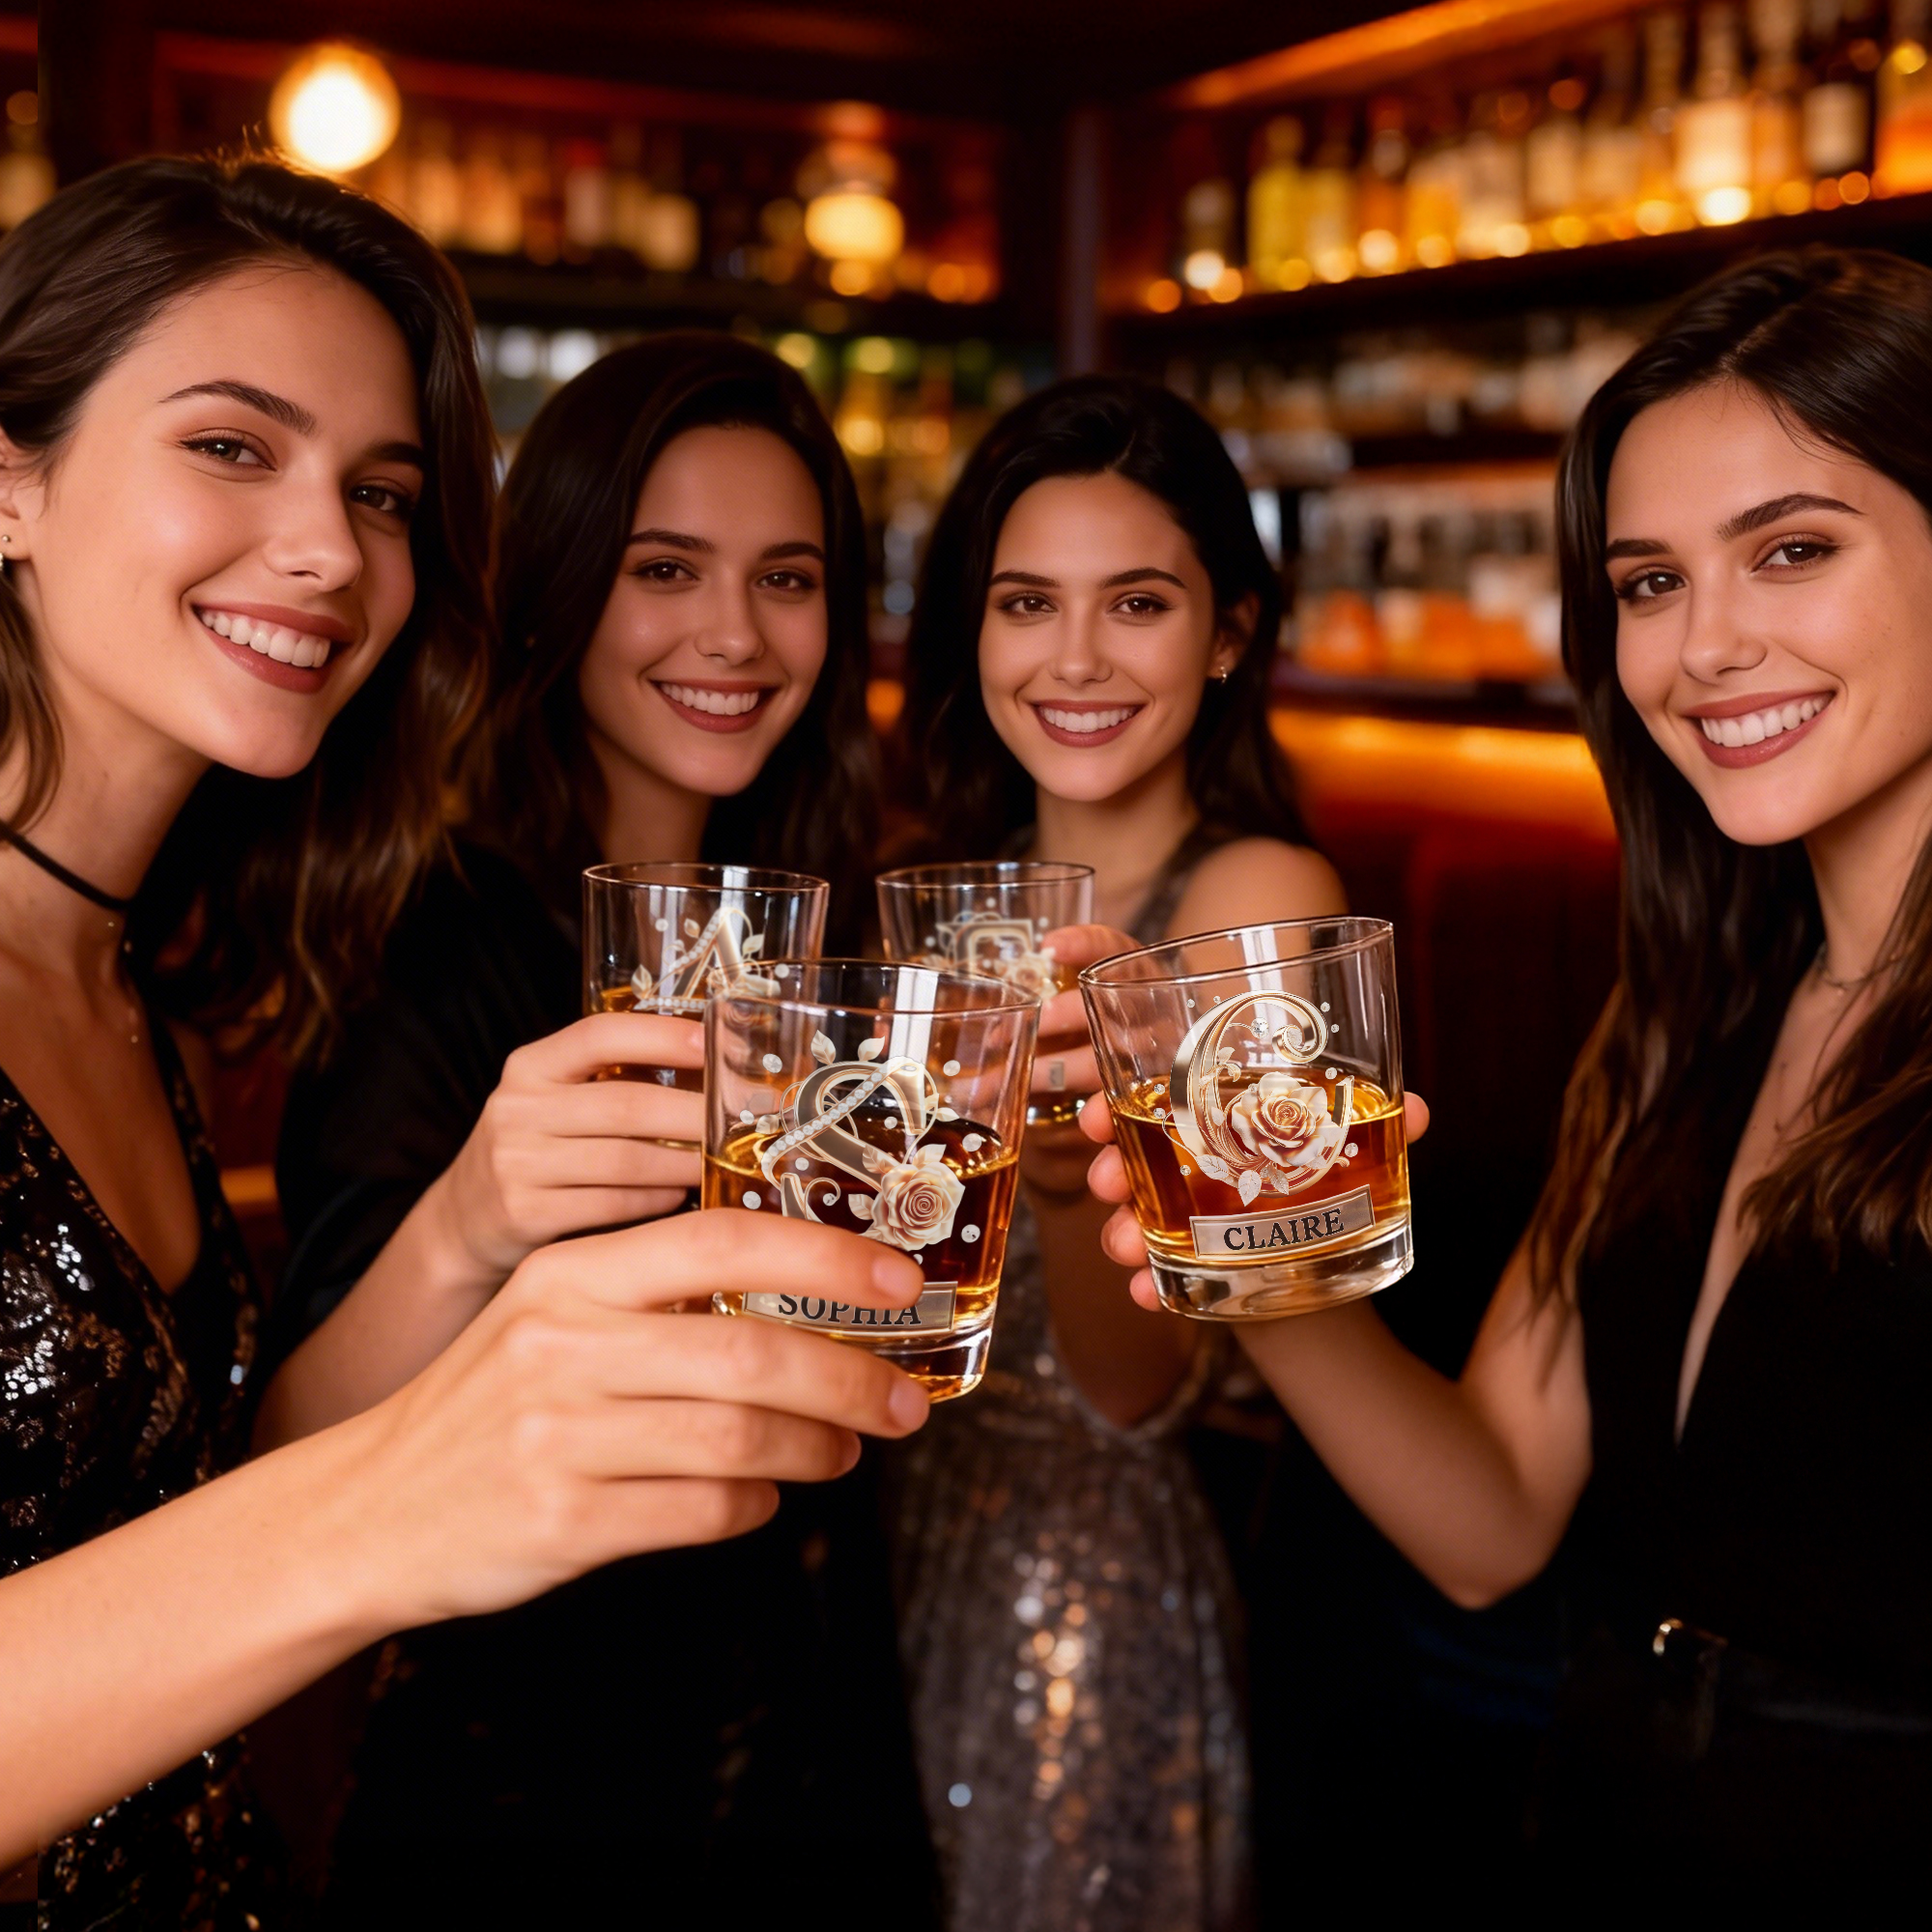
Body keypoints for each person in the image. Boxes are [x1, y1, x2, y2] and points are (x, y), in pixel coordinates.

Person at [0, 157, 929, 1929]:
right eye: (231, 446)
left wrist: (470, 1238)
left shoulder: (134, 976)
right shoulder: (416, 943)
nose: (329, 548)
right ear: (10, 477)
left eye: (383, 492)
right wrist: (398, 1502)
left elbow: (197, 1506)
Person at [1085, 248, 1932, 1894]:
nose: (1705, 648)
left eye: (1792, 553)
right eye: (1648, 583)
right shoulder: (1680, 1019)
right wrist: (1253, 1254)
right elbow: (1489, 1528)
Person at [267, 334, 933, 1920]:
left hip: (822, 1751)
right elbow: (292, 1451)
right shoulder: (428, 935)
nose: (734, 634)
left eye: (788, 578)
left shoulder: (843, 937)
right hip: (534, 1792)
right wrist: (470, 1223)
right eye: (666, 569)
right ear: (562, 586)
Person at [892, 375, 1344, 1930]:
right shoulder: (942, 897)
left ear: (1227, 632)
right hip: (890, 1533)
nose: (1074, 659)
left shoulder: (1257, 900)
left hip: (1091, 1570)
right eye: (1027, 603)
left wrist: (1074, 1103)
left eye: (1136, 604)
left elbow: (1147, 1387)